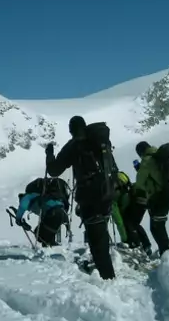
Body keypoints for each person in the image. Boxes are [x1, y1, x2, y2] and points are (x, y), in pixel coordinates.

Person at [44, 116, 117, 280]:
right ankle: (102, 267)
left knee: (95, 235)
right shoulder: (100, 142)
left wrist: (49, 154)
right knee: (100, 231)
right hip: (109, 191)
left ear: (71, 130)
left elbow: (54, 170)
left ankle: (107, 278)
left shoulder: (74, 145)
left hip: (90, 195)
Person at [131, 141, 169, 256]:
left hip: (158, 198)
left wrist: (139, 170)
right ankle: (167, 252)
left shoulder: (147, 161)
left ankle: (167, 254)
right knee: (159, 226)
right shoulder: (159, 155)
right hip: (167, 196)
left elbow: (140, 183)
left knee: (156, 228)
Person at [14, 177, 70, 247]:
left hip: (53, 213)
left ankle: (48, 248)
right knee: (46, 232)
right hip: (62, 212)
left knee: (39, 234)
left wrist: (18, 219)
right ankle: (52, 245)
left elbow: (23, 206)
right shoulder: (45, 197)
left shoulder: (28, 196)